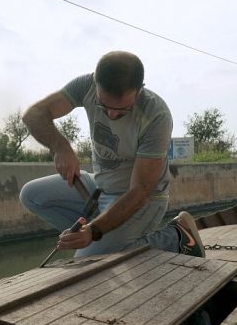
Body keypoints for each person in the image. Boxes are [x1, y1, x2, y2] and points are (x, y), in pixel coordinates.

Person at [19, 51, 204, 259]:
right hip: (98, 188)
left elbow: (140, 191)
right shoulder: (85, 85)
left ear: (139, 90)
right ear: (95, 84)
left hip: (144, 198)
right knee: (32, 196)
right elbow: (33, 114)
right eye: (103, 106)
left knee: (86, 259)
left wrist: (94, 231)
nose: (112, 115)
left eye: (123, 110)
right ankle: (99, 239)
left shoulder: (156, 115)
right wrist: (60, 146)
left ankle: (176, 236)